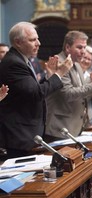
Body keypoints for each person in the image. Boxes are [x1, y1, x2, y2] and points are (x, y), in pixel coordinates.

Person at [0, 21, 73, 159]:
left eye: (37, 38)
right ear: (18, 42)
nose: (38, 43)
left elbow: (33, 90)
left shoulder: (22, 60)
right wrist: (60, 74)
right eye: (33, 40)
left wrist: (49, 77)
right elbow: (36, 94)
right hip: (19, 136)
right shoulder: (14, 63)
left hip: (27, 133)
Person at [45, 31, 92, 142]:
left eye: (84, 47)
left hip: (76, 126)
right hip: (61, 128)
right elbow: (68, 94)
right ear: (67, 47)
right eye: (79, 47)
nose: (83, 52)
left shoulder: (76, 64)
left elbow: (85, 93)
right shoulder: (59, 63)